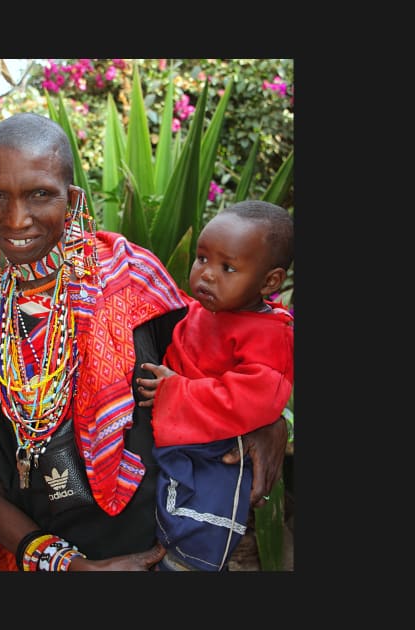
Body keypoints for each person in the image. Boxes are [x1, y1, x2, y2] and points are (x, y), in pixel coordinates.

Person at [0, 112, 289, 572]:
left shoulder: (134, 282)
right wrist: (72, 567)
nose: (16, 218)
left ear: (71, 199)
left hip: (163, 553)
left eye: (39, 194)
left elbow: (226, 362)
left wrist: (269, 424)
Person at [136, 200, 294, 571]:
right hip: (183, 438)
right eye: (202, 258)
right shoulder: (201, 311)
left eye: (227, 267)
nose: (206, 275)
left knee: (195, 531)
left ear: (269, 282)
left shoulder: (268, 335)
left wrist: (175, 391)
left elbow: (252, 400)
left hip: (216, 455)